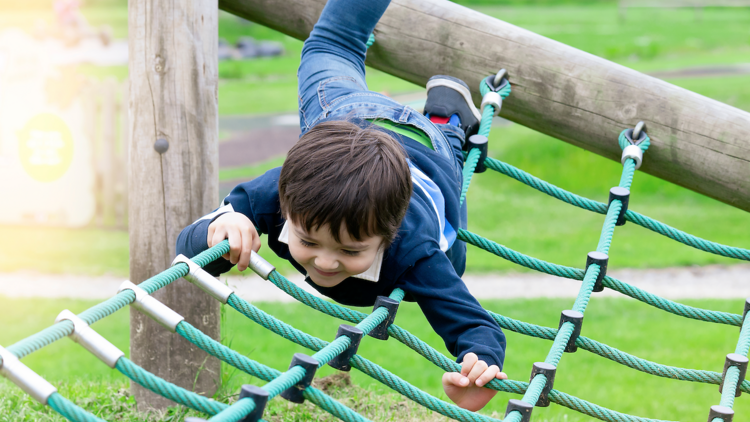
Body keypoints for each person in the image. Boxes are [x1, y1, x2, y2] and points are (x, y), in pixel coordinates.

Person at [176, 0, 507, 411]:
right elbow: (187, 252)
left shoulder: (414, 251)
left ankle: (448, 123)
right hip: (344, 120)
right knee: (332, 44)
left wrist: (479, 365)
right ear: (288, 208)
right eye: (309, 241)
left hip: (425, 152)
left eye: (350, 250)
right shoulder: (276, 195)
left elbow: (476, 326)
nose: (327, 262)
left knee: (452, 254)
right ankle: (444, 112)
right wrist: (222, 225)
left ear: (388, 235)